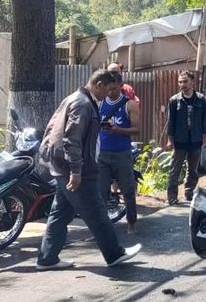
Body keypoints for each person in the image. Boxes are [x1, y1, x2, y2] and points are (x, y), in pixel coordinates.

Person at [37, 70, 141, 270]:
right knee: (96, 211)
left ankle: (47, 258)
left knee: (60, 213)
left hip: (61, 165)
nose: (109, 94)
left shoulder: (73, 99)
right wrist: (76, 171)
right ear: (99, 84)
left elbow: (54, 128)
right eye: (108, 89)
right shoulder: (83, 104)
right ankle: (114, 254)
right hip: (75, 168)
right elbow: (72, 139)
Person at [99, 75, 141, 234]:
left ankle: (132, 222)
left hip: (122, 153)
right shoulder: (100, 103)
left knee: (128, 190)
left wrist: (118, 130)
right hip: (102, 154)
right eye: (108, 88)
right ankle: (103, 226)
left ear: (121, 86)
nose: (110, 92)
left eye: (114, 88)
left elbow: (137, 129)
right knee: (101, 191)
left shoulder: (129, 104)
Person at [166, 70, 206, 205]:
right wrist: (170, 139)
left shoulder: (201, 99)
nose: (182, 84)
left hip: (195, 139)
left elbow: (204, 119)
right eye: (180, 82)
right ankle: (172, 197)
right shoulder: (174, 100)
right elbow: (170, 121)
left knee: (193, 169)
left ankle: (189, 192)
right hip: (180, 139)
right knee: (175, 170)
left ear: (192, 82)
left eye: (185, 81)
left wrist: (205, 136)